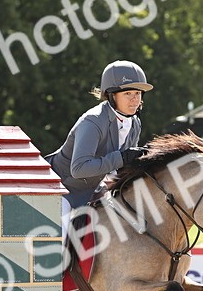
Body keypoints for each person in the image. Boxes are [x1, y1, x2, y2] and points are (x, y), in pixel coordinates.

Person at [46, 60, 150, 228]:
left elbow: (120, 170)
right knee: (62, 240)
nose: (134, 100)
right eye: (128, 94)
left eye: (138, 94)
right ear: (111, 95)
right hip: (62, 190)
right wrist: (121, 158)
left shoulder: (135, 123)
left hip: (93, 191)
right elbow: (79, 168)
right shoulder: (93, 121)